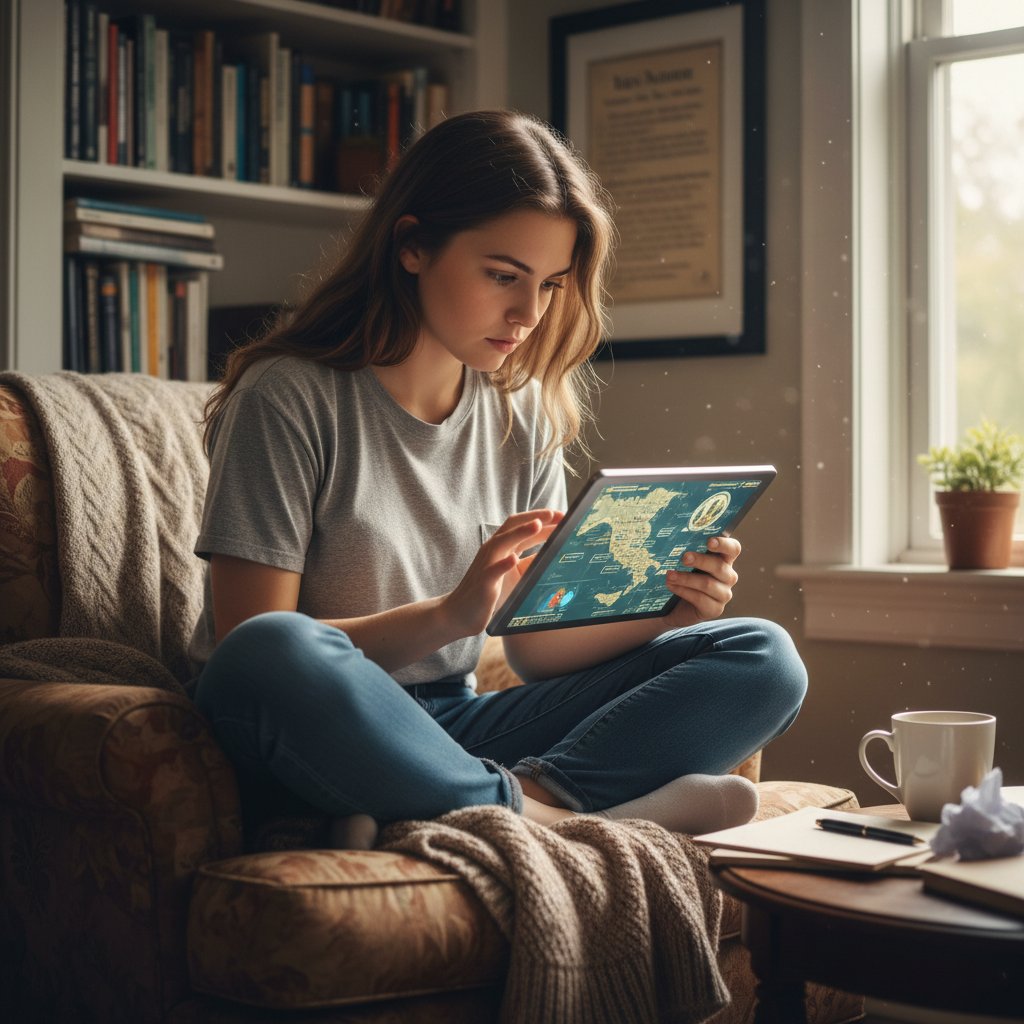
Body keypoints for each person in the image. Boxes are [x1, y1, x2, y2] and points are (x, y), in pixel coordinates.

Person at [190, 110, 807, 848]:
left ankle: (504, 800)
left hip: (455, 724)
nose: (527, 313)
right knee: (273, 651)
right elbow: (246, 640)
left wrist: (667, 614)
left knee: (761, 656)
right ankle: (542, 815)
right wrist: (449, 616)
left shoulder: (523, 414)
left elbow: (532, 649)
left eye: (549, 284)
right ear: (412, 245)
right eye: (503, 276)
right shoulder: (287, 397)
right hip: (312, 714)